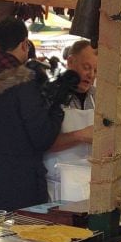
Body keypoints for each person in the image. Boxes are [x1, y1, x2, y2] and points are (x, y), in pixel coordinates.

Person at [0, 17, 65, 219]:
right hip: (18, 188)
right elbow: (42, 137)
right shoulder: (24, 84)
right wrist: (56, 108)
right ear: (24, 44)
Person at [42, 39, 98, 199]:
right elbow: (41, 143)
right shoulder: (51, 95)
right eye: (87, 67)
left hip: (89, 186)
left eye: (95, 70)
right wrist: (80, 136)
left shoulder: (99, 97)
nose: (91, 75)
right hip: (56, 187)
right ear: (71, 62)